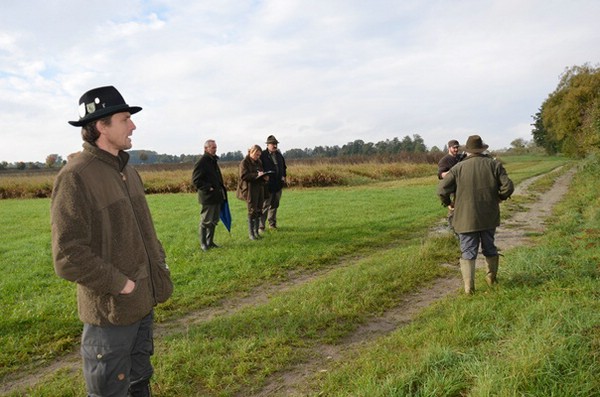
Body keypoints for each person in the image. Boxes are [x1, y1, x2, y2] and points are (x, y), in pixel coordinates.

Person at [51, 86, 173, 397]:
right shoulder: (76, 176)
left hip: (142, 303)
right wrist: (121, 284)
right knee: (109, 392)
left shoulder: (128, 172)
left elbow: (144, 231)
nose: (133, 125)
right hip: (111, 313)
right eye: (125, 119)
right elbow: (68, 254)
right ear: (101, 126)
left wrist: (158, 264)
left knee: (139, 382)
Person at [437, 135, 514, 294]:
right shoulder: (494, 165)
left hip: (465, 218)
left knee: (468, 251)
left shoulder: (457, 168)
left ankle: (469, 289)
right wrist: (499, 198)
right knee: (490, 247)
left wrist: (449, 204)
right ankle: (491, 279)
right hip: (488, 216)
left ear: (468, 150)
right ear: (482, 149)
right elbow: (508, 187)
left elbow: (441, 190)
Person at [192, 140, 227, 251]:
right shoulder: (202, 162)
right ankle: (203, 244)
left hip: (217, 196)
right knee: (206, 221)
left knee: (214, 220)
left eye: (215, 147)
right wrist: (208, 187)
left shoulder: (213, 160)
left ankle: (210, 242)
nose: (215, 149)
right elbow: (196, 180)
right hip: (208, 196)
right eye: (212, 147)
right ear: (206, 148)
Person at [237, 145, 268, 240]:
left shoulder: (259, 161)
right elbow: (243, 176)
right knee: (252, 211)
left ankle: (256, 232)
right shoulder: (244, 162)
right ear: (251, 152)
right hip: (249, 189)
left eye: (259, 155)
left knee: (259, 209)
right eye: (256, 154)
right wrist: (256, 175)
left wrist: (265, 177)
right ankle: (251, 234)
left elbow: (261, 172)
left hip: (259, 188)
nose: (257, 157)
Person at [259, 135, 287, 232]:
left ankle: (272, 224)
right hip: (267, 186)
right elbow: (258, 169)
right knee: (265, 206)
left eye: (276, 144)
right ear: (267, 145)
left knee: (275, 205)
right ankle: (261, 227)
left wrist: (283, 175)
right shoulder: (262, 155)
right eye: (272, 144)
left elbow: (284, 167)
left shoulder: (279, 155)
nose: (275, 146)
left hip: (278, 185)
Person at [437, 139, 463, 229]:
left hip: (463, 188)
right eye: (454, 148)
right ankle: (453, 231)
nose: (456, 150)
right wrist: (453, 172)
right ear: (449, 148)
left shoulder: (461, 157)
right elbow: (441, 175)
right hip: (452, 190)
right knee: (453, 213)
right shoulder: (444, 160)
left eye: (457, 148)